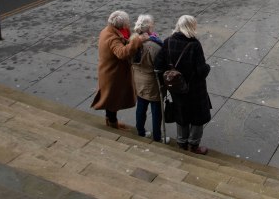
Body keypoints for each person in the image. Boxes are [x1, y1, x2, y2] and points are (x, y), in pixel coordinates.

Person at [155, 15, 212, 154]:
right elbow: (201, 71)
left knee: (181, 114)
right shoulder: (194, 45)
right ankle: (193, 145)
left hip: (176, 87)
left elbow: (158, 65)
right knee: (198, 116)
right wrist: (207, 67)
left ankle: (181, 142)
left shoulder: (168, 42)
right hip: (194, 88)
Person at [91, 10, 144, 129]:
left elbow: (125, 39)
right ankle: (112, 123)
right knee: (112, 99)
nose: (128, 24)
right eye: (126, 23)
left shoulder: (111, 30)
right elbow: (122, 53)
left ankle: (110, 120)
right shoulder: (111, 37)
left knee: (111, 97)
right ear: (120, 25)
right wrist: (137, 41)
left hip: (112, 71)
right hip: (112, 74)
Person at [130, 14, 163, 142]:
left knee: (141, 106)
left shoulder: (132, 41)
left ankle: (140, 131)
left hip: (138, 79)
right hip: (152, 82)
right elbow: (160, 65)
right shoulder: (154, 46)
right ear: (149, 27)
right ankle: (157, 136)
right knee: (156, 111)